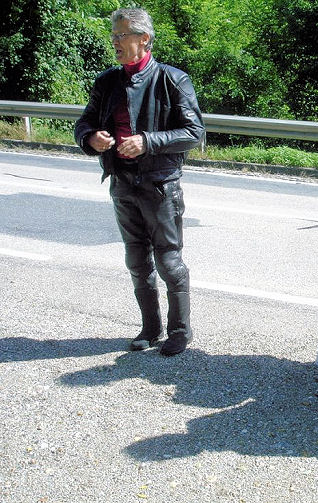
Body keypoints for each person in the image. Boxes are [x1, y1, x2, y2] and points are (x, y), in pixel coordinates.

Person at [75, 8, 204, 356]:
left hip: (161, 185)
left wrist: (148, 141)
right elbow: (83, 124)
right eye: (114, 36)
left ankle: (180, 330)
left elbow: (195, 133)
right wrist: (91, 139)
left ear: (143, 39)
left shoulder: (172, 79)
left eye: (121, 35)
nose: (115, 42)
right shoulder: (107, 81)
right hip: (122, 183)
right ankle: (151, 327)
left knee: (169, 261)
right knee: (136, 261)